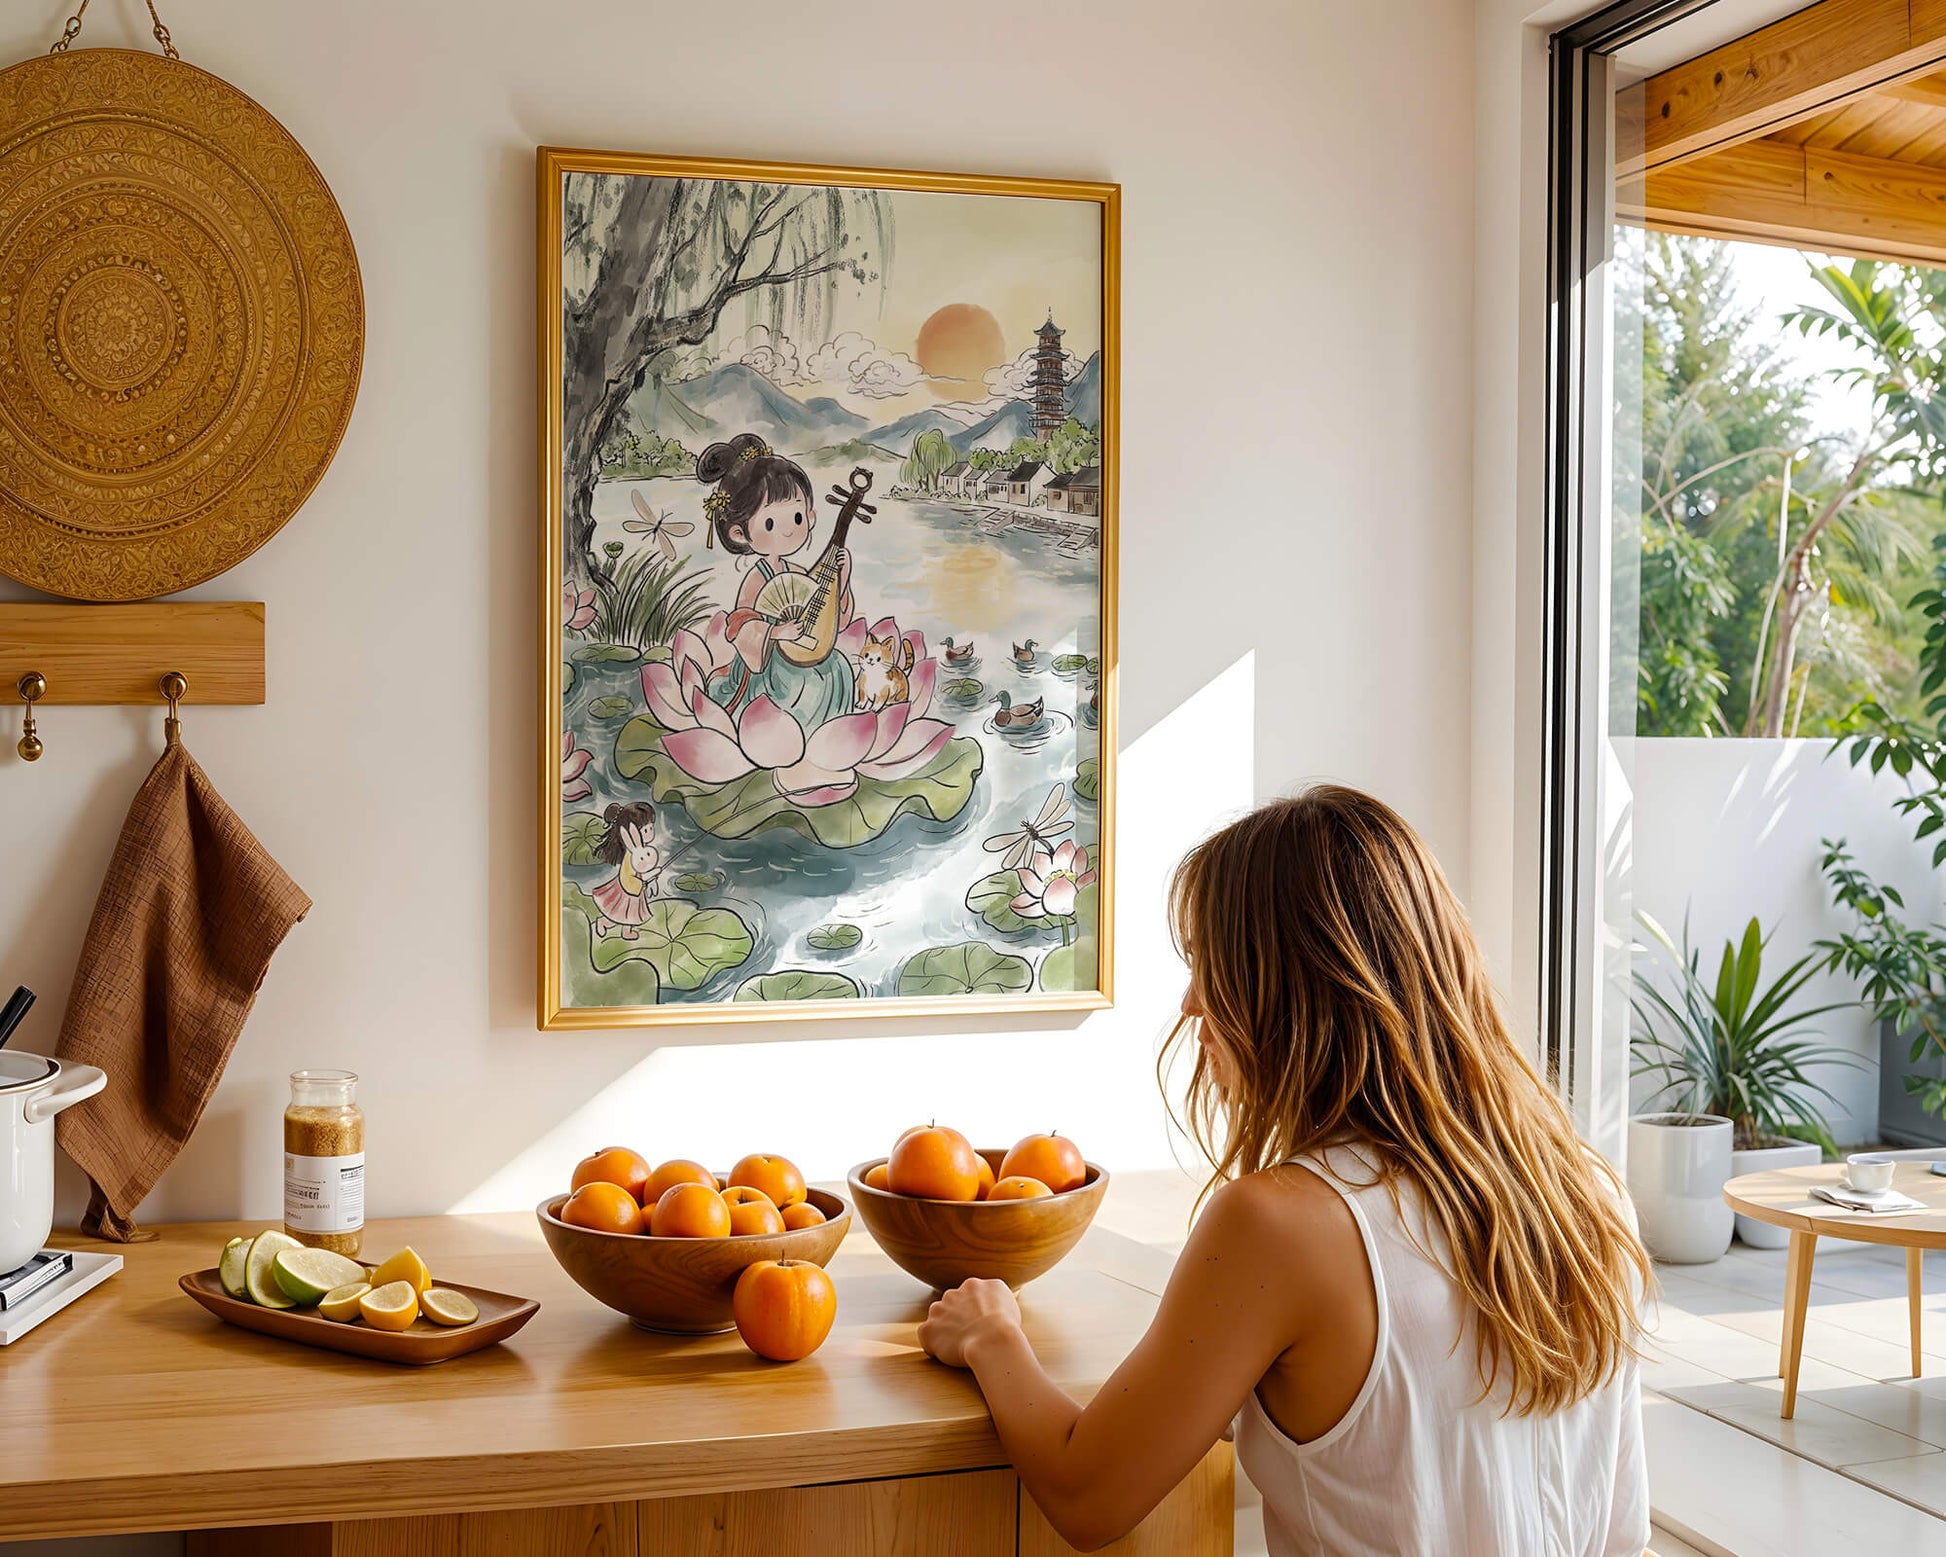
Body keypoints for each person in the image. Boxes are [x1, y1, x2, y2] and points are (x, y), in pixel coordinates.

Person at [918, 786, 1651, 1555]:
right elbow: (1623, 1529)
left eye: (1212, 963)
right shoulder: (1588, 1190)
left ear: (1292, 986)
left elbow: (1086, 1494)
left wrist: (992, 1333)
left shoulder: (1277, 1223)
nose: (1191, 1002)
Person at [696, 433, 854, 734]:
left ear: (810, 515)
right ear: (739, 534)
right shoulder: (757, 578)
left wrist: (842, 583)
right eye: (770, 523)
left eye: (796, 516)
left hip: (804, 652)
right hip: (770, 662)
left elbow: (831, 621)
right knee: (799, 685)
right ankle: (788, 741)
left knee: (837, 667)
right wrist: (778, 632)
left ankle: (828, 742)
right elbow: (740, 625)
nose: (788, 530)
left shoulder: (796, 571)